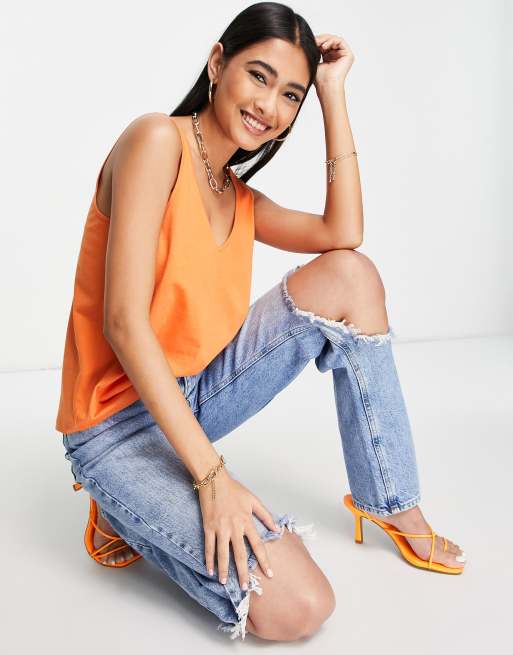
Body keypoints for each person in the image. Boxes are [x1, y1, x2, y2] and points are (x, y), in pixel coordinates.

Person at [56, 1, 466, 643]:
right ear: (217, 63)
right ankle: (121, 505)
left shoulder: (237, 195)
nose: (269, 105)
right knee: (301, 606)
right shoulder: (156, 141)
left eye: (290, 95)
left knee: (350, 274)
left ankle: (391, 502)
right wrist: (212, 478)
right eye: (258, 76)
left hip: (191, 396)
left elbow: (344, 232)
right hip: (114, 428)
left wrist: (331, 94)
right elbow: (123, 323)